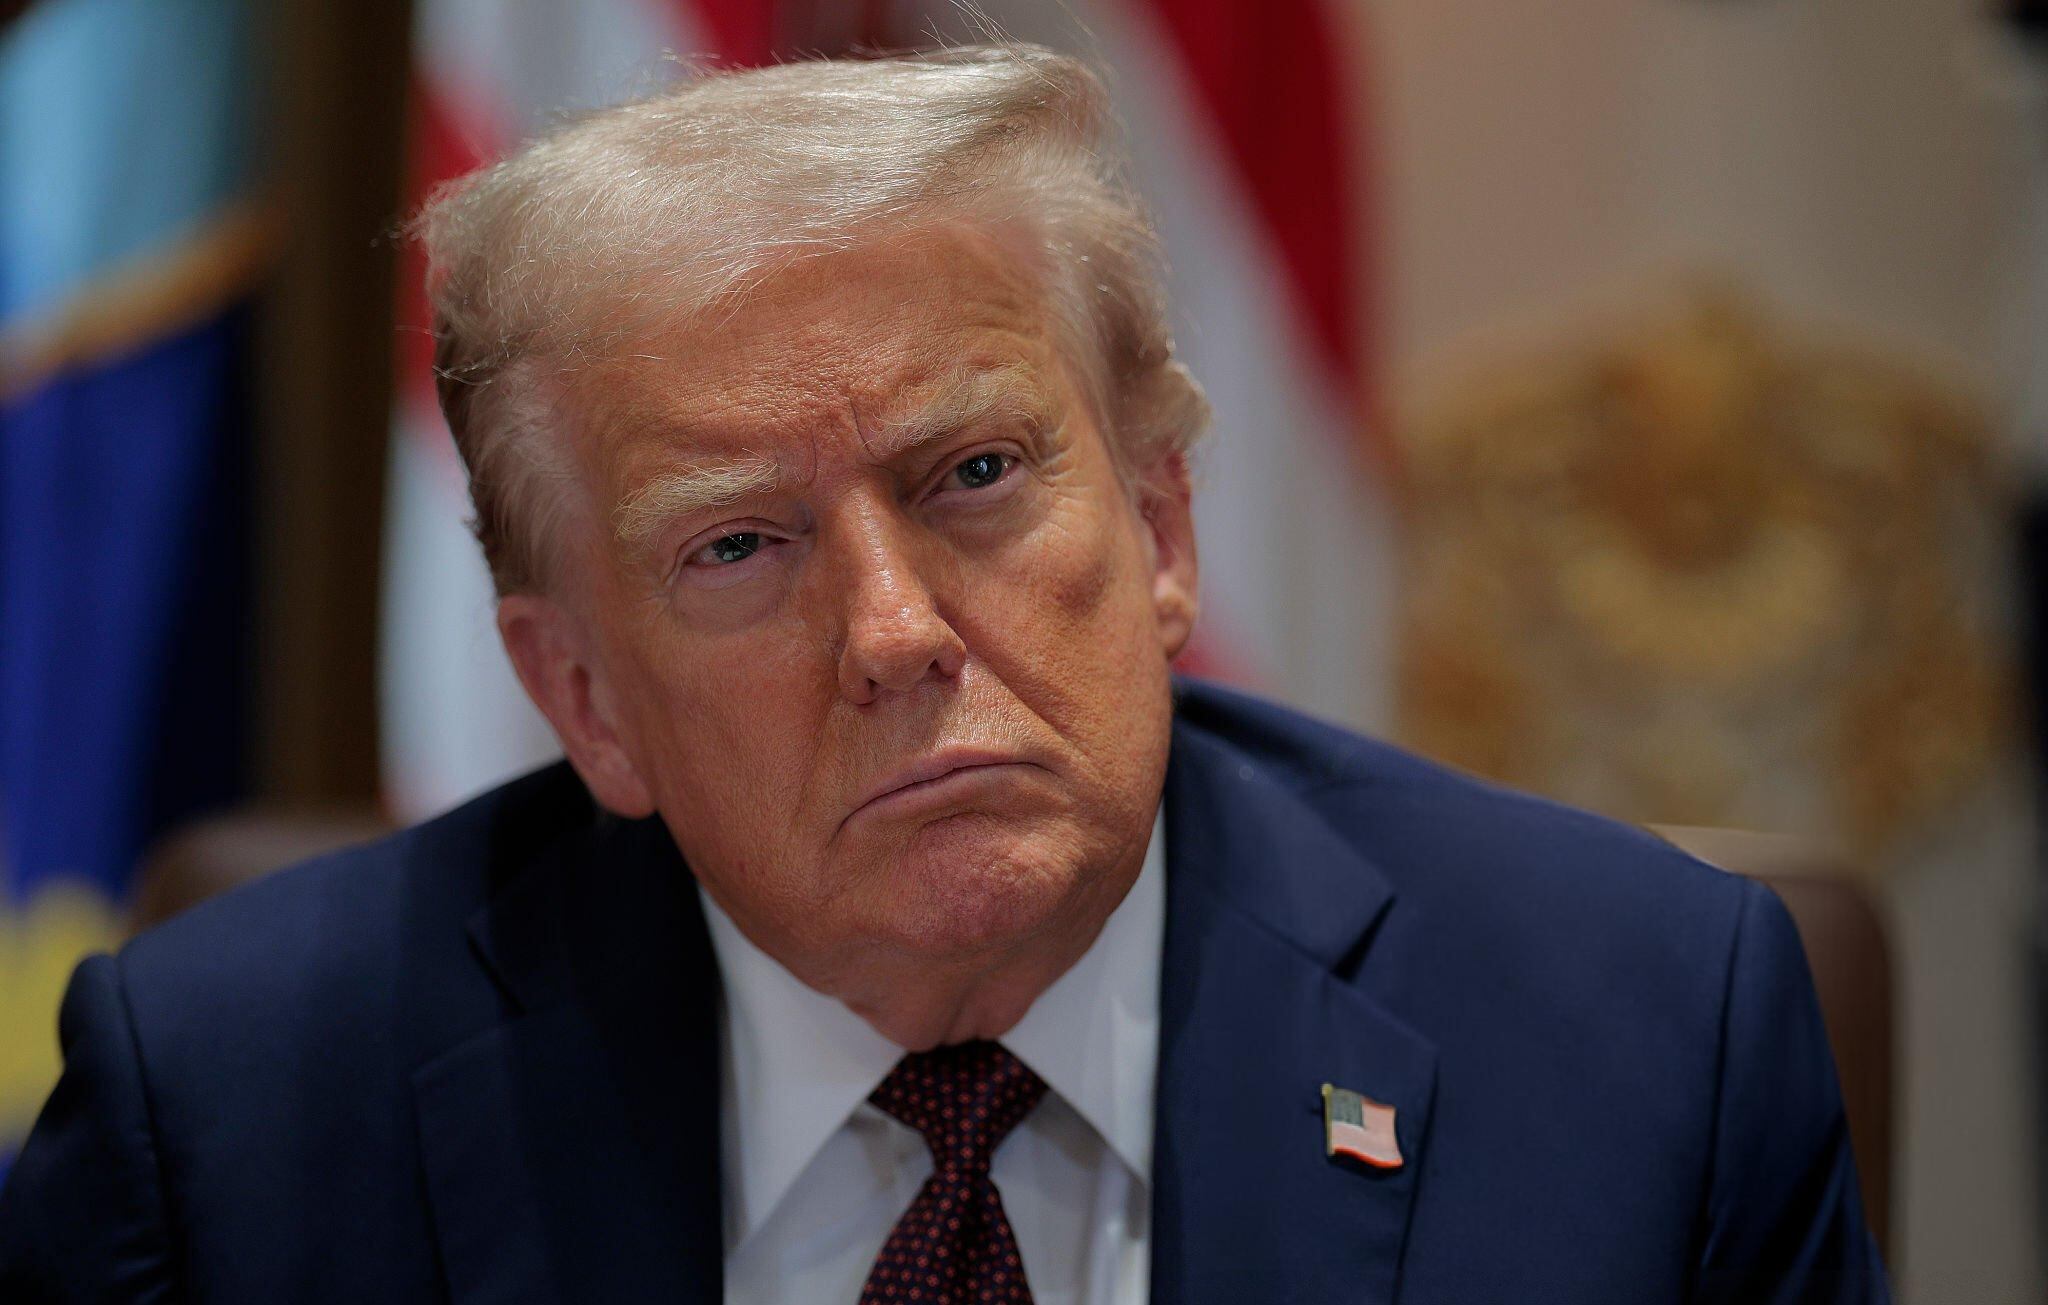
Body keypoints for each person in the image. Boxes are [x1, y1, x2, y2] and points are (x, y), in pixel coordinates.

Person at [0, 44, 1886, 1304]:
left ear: (1159, 531)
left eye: (975, 476)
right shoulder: (236, 1118)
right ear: (582, 697)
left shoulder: (1643, 1043)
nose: (897, 632)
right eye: (738, 544)